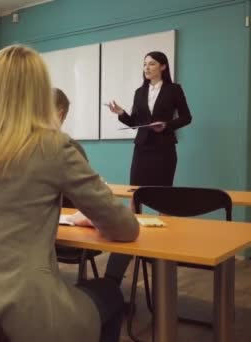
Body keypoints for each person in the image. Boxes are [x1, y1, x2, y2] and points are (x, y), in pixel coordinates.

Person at [0, 45, 139, 342]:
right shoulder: (54, 147)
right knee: (110, 293)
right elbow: (125, 228)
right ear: (40, 94)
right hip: (27, 311)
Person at [105, 51, 192, 285]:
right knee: (135, 196)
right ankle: (130, 244)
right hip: (142, 149)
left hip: (164, 149)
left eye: (151, 64)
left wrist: (167, 125)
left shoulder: (174, 90)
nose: (147, 67)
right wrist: (121, 114)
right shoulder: (139, 92)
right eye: (144, 64)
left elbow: (186, 117)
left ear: (163, 66)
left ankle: (160, 251)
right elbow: (136, 122)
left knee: (163, 197)